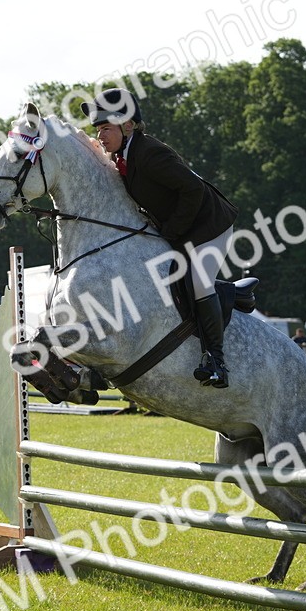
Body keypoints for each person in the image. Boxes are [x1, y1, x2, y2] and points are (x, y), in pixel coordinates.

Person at [82, 88, 238, 388]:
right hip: (182, 226)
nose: (101, 135)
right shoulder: (122, 155)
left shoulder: (150, 153)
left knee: (198, 281)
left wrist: (170, 232)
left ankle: (216, 362)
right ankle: (233, 294)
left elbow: (192, 189)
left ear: (128, 126)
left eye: (106, 128)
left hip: (210, 226)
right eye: (98, 129)